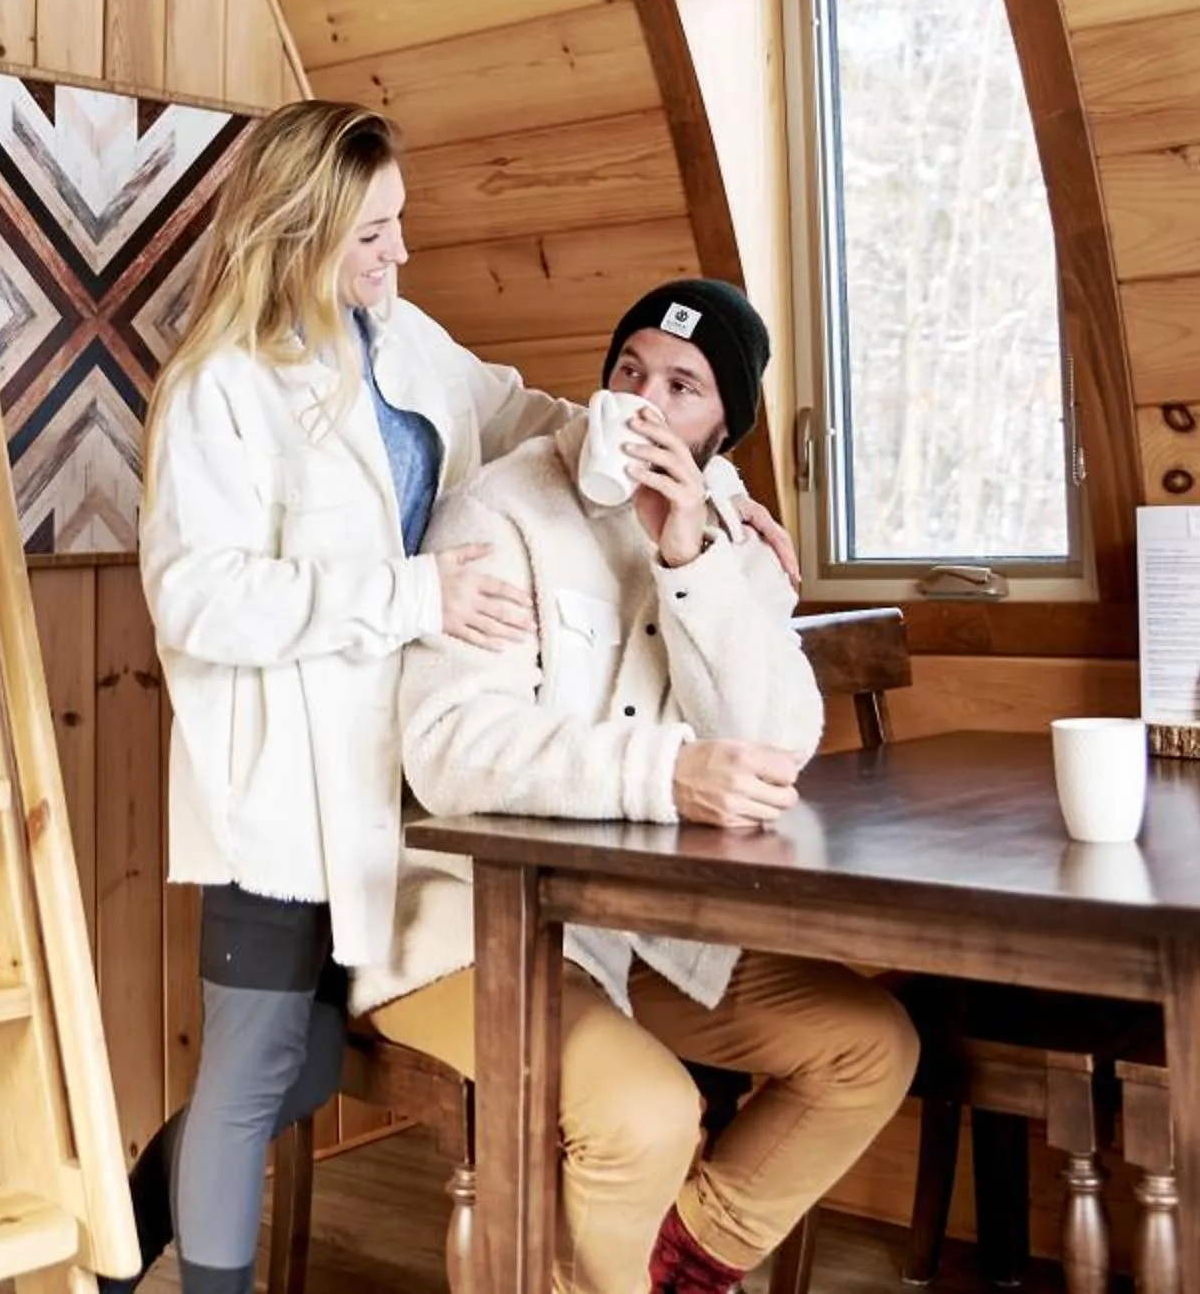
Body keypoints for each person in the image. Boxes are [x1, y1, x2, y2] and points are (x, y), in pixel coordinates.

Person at [112, 105, 792, 1294]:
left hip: (400, 785)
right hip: (284, 789)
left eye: (401, 226)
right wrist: (413, 593)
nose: (400, 254)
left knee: (312, 1063)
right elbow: (201, 602)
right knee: (258, 1061)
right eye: (374, 233)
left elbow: (541, 418)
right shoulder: (220, 387)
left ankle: (115, 1241)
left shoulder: (405, 338)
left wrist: (712, 488)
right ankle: (145, 1268)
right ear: (301, 232)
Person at [356, 277, 919, 1294]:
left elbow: (782, 737)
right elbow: (450, 744)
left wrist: (692, 551)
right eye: (630, 371)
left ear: (725, 428)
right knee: (648, 1113)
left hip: (638, 933)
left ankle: (678, 1264)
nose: (646, 404)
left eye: (685, 387)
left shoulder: (726, 535)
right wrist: (666, 772)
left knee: (869, 1045)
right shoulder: (500, 511)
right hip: (464, 930)